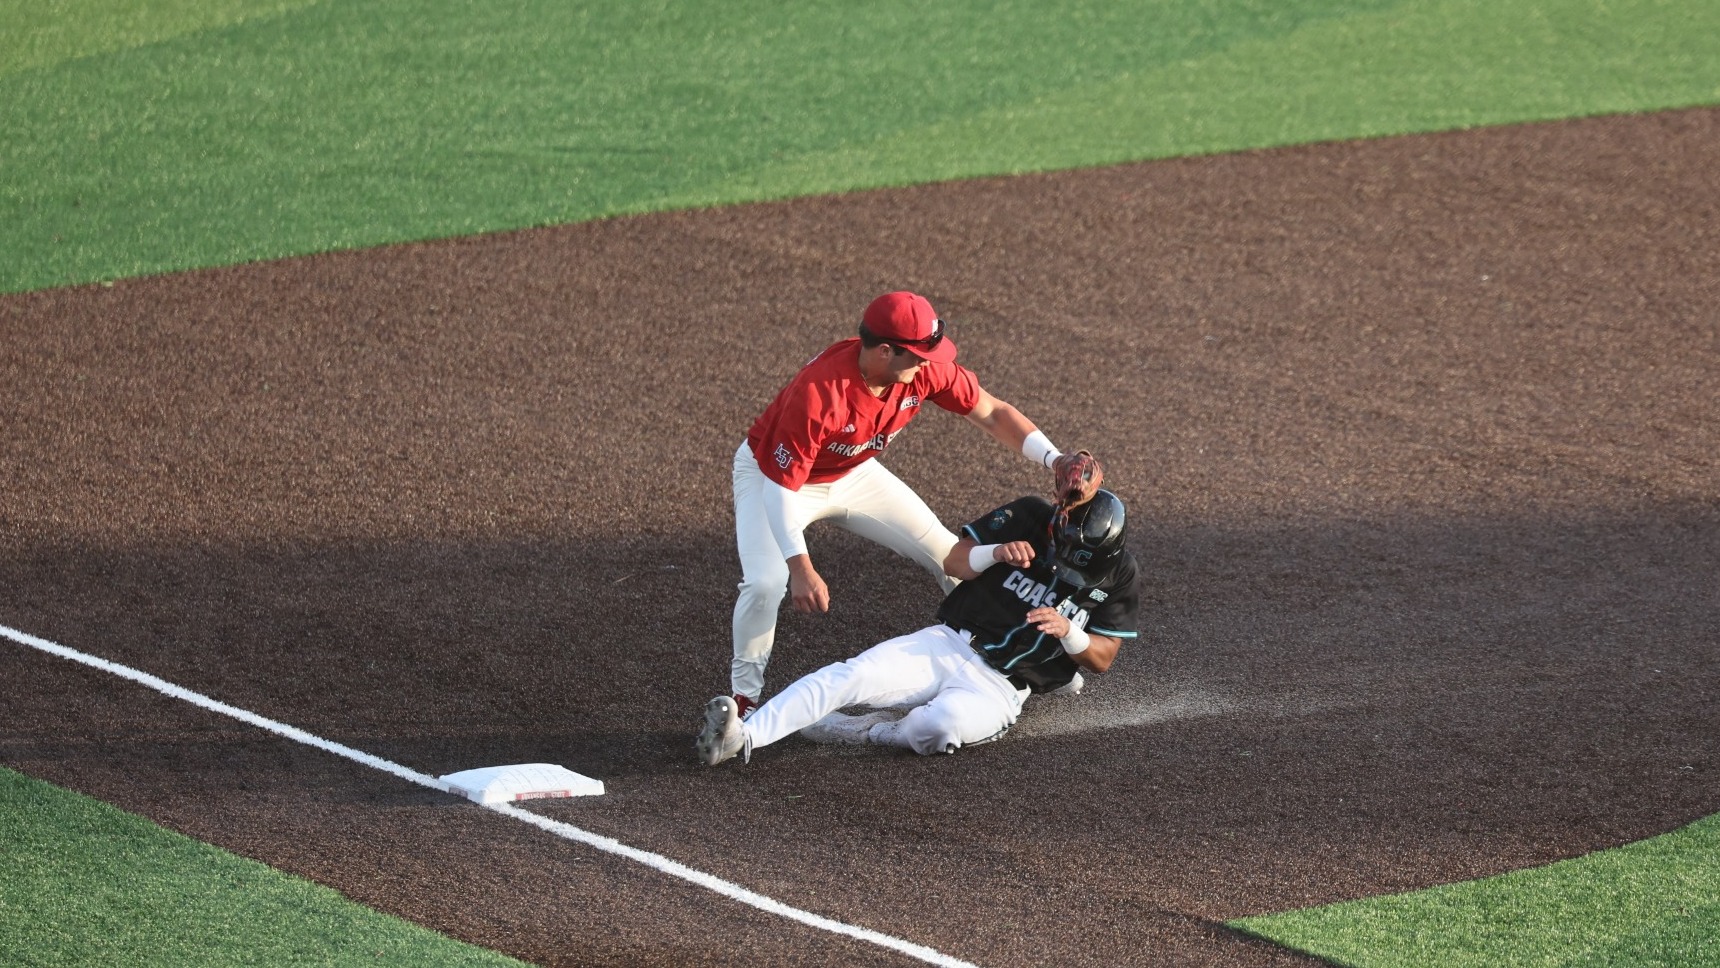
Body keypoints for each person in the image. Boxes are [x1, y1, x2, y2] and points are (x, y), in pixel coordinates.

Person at [728, 290, 1071, 718]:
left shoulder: (922, 371)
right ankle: (744, 701)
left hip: (852, 472)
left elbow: (990, 411)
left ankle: (1024, 656)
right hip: (772, 480)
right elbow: (780, 489)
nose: (929, 361)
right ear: (885, 351)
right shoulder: (819, 393)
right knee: (765, 583)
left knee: (950, 556)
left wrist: (1055, 459)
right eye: (919, 353)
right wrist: (801, 567)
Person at [699, 483, 1138, 764]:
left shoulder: (1121, 573)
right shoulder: (1029, 514)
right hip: (947, 644)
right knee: (852, 676)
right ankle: (744, 737)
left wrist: (1070, 632)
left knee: (938, 727)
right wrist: (996, 553)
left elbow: (1102, 658)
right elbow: (954, 561)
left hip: (1002, 686)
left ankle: (868, 731)